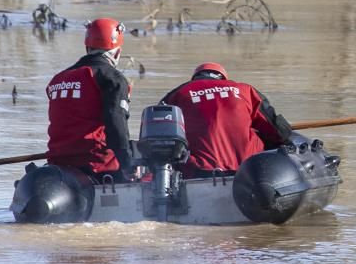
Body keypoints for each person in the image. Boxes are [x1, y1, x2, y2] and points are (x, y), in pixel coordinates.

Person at [160, 62, 293, 177]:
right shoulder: (245, 90)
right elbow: (278, 131)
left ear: (195, 78)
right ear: (224, 78)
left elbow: (160, 135)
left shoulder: (177, 94)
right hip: (248, 170)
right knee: (268, 139)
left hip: (198, 170)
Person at [45, 17, 135, 181]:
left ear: (87, 46)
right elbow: (116, 124)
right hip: (96, 165)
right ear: (117, 52)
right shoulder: (112, 79)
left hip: (58, 162)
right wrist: (128, 163)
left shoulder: (58, 80)